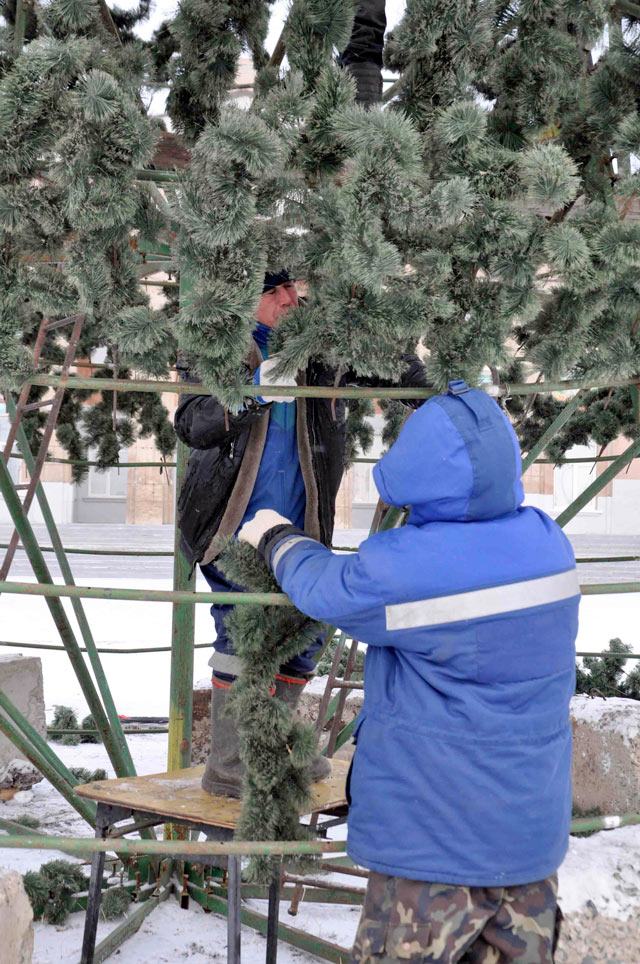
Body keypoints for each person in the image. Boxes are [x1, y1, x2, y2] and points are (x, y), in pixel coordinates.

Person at [239, 380, 580, 963]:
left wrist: (276, 537)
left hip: (434, 849)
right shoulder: (549, 545)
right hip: (528, 844)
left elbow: (330, 589)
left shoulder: (411, 567)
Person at [174, 269, 426, 797]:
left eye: (291, 288)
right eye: (274, 292)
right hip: (230, 524)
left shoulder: (318, 344)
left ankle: (283, 750)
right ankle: (230, 767)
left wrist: (440, 386)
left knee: (305, 632)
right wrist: (255, 391)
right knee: (243, 632)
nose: (290, 299)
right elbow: (193, 424)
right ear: (245, 298)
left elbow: (384, 366)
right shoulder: (212, 342)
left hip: (301, 526)